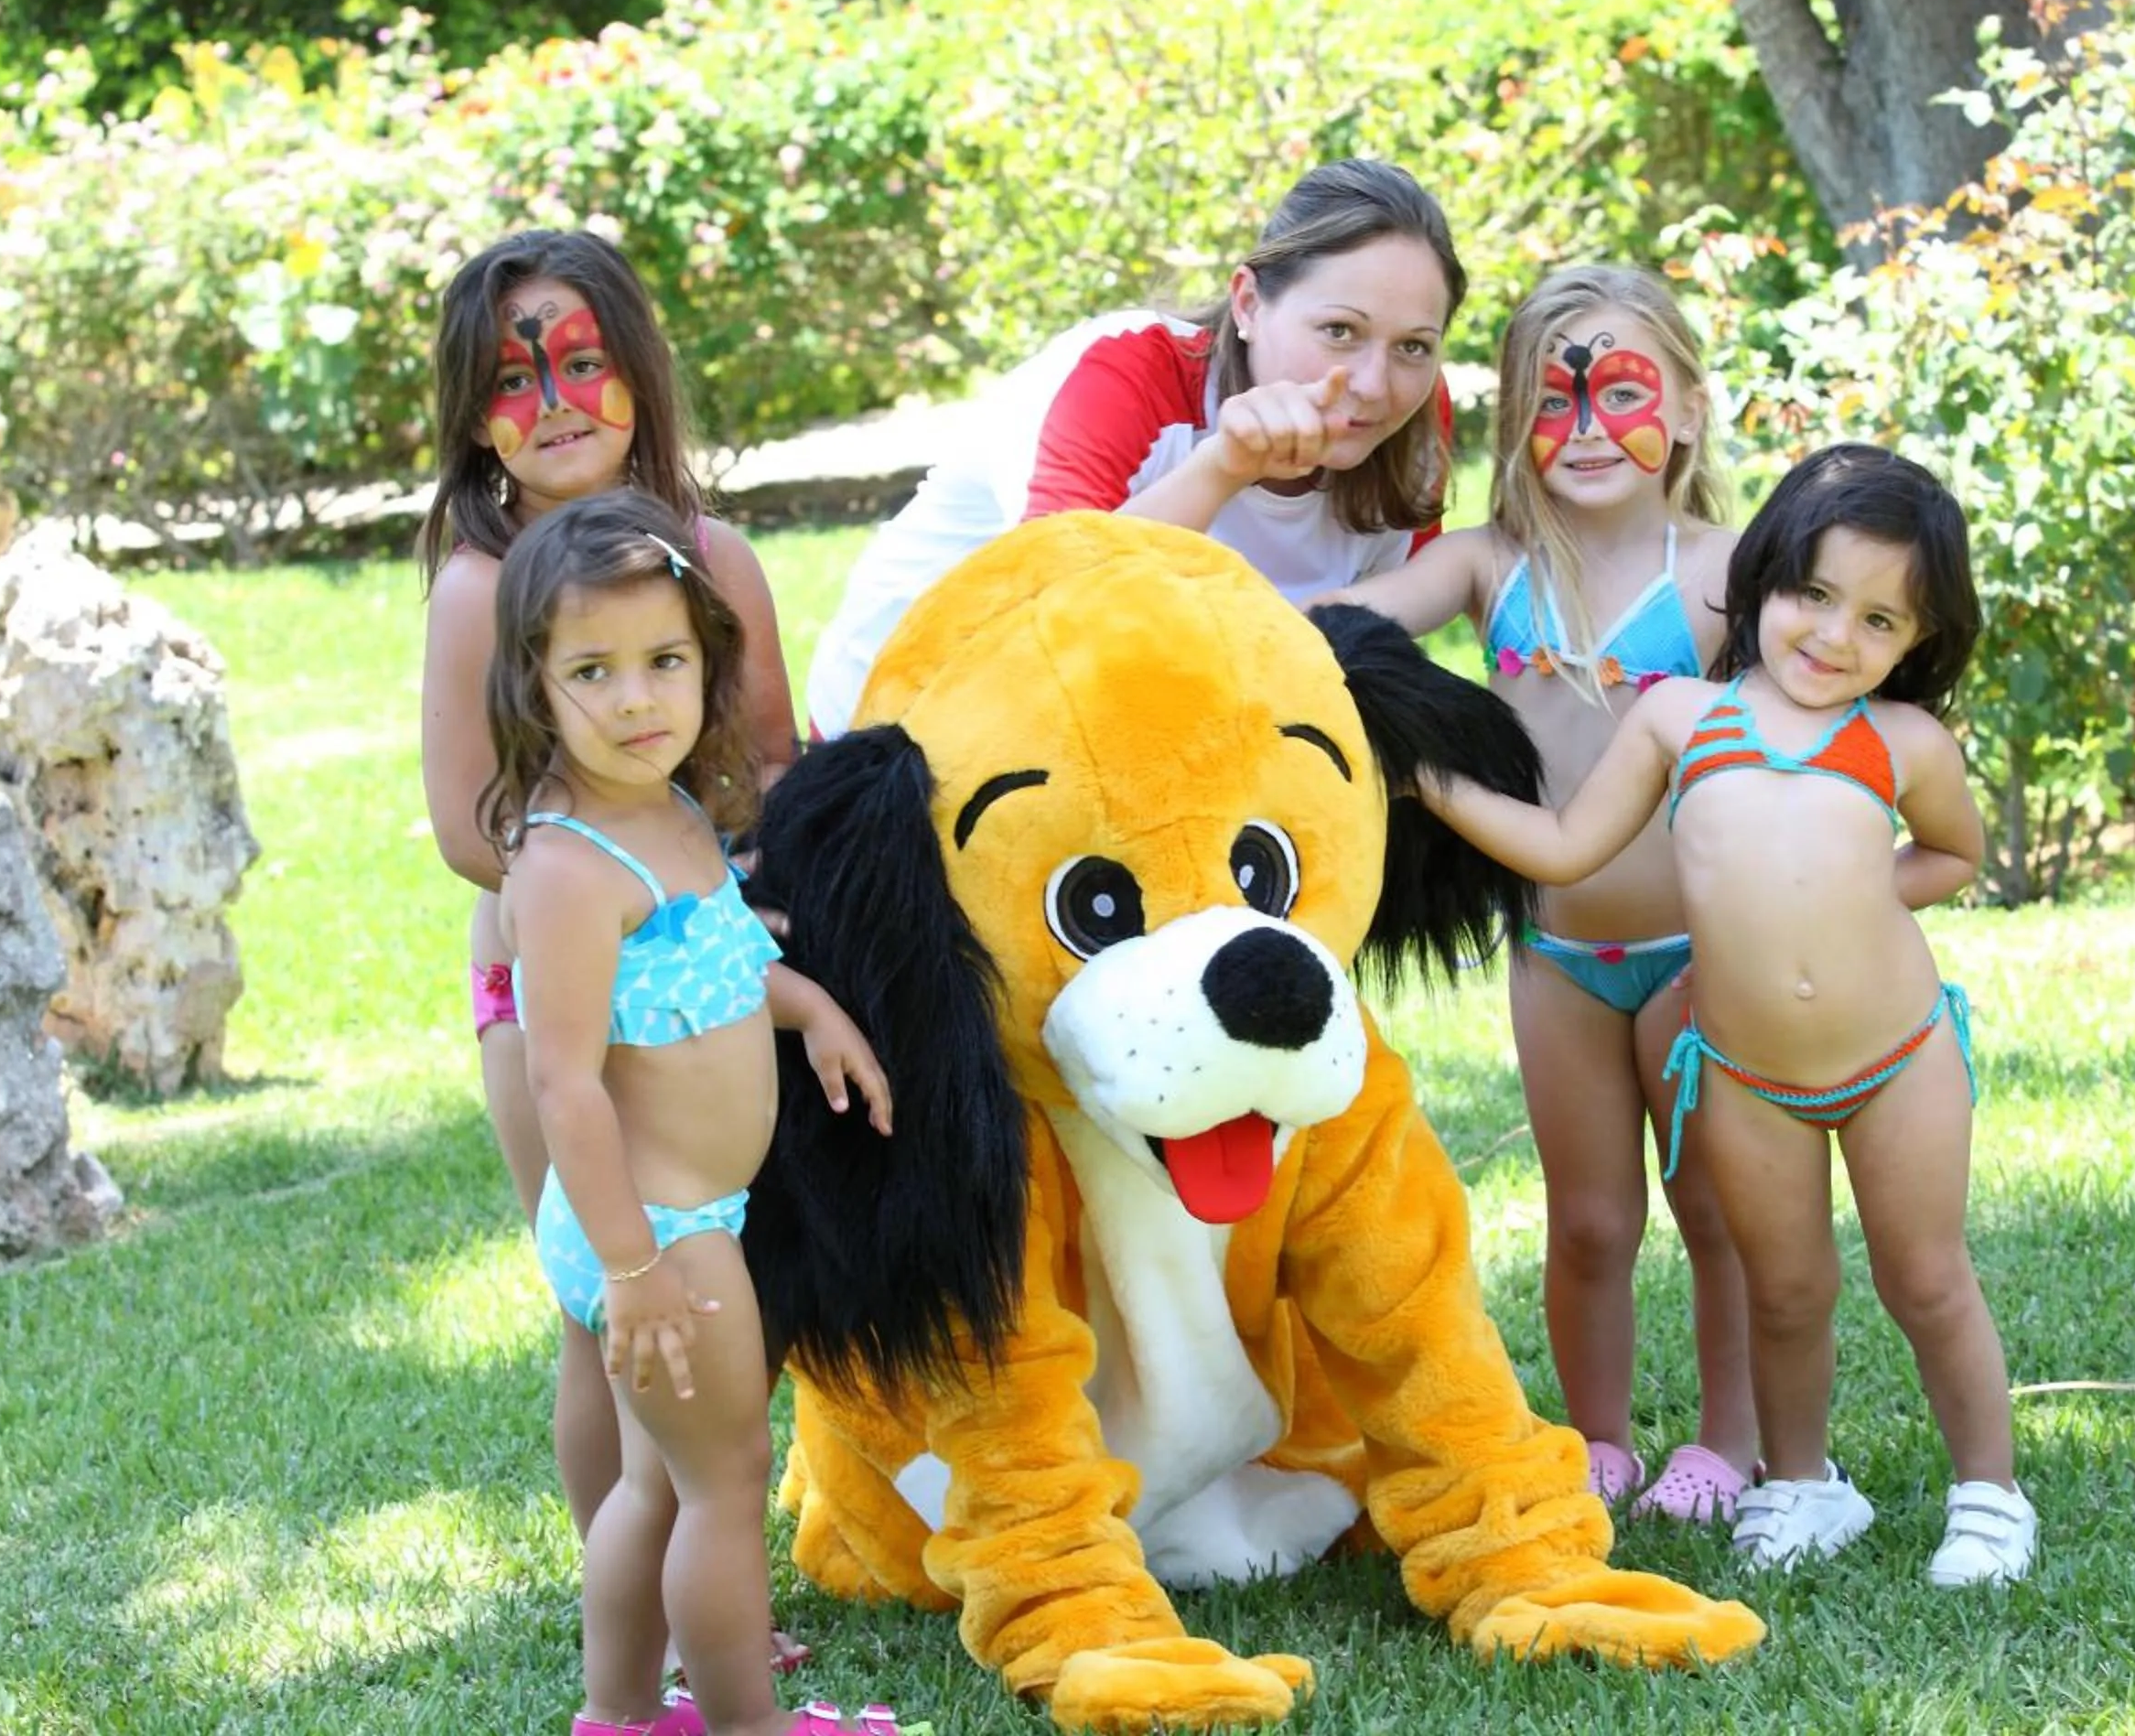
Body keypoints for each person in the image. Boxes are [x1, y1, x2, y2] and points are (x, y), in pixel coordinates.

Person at [1412, 444, 2037, 1586]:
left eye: (1879, 620)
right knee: (1785, 1287)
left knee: (1926, 1276)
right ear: (1764, 577)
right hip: (1747, 1073)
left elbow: (1952, 854)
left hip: (1898, 1058)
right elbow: (1563, 846)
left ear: (1917, 639)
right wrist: (1428, 778)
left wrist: (1850, 903)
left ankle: (1989, 1493)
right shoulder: (1680, 719)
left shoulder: (1902, 741)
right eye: (1814, 593)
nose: (1835, 635)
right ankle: (1802, 1481)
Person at [414, 231, 807, 1673]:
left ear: (638, 371)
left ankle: (710, 1590)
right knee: (603, 1310)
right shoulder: (481, 588)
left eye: (583, 362)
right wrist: (613, 858)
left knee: (710, 1286)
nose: (556, 401)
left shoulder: (712, 559)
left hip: (710, 976)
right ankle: (644, 1635)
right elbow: (469, 827)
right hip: (555, 1000)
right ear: (473, 418)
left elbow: (770, 758)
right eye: (514, 379)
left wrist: (727, 886)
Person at [1323, 264, 1758, 1524]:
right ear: (1515, 426)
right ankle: (1599, 1440)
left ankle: (1732, 1443)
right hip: (1556, 957)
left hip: (1698, 952)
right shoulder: (1487, 566)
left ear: (1686, 408)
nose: (1586, 429)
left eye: (1619, 392)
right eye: (1551, 404)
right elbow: (1325, 624)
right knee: (1590, 1222)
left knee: (1717, 1211)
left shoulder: (1729, 571)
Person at [485, 491, 902, 1735]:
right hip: (656, 1229)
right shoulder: (569, 867)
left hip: (667, 1222)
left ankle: (618, 1717)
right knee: (724, 1481)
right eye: (592, 671)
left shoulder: (665, 809)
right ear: (533, 683)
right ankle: (747, 1724)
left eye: (663, 660)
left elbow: (714, 970)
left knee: (657, 1484)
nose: (636, 699)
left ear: (707, 659)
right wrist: (634, 1270)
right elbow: (563, 1082)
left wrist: (808, 1009)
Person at [803, 156, 1466, 737]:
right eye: (1340, 331)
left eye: (1414, 345)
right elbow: (1056, 610)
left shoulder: (1411, 419)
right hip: (911, 723)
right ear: (1248, 303)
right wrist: (1224, 467)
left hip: (1185, 722)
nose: (1374, 385)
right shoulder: (1123, 372)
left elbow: (1381, 637)